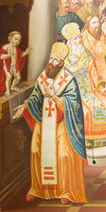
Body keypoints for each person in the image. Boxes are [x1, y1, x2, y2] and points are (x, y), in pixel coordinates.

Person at [16, 42, 88, 203]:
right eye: (51, 58)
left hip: (63, 122)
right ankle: (38, 189)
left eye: (56, 60)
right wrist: (25, 105)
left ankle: (66, 190)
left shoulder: (68, 79)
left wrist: (54, 97)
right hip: (44, 121)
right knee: (35, 150)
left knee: (63, 154)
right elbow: (36, 96)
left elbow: (73, 103)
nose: (52, 62)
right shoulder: (43, 76)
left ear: (62, 63)